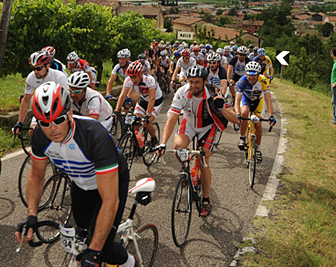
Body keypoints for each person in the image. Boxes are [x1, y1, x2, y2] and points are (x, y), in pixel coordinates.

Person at [16, 82, 137, 267]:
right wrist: (31, 214)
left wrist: (95, 250)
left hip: (111, 183)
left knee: (102, 247)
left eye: (58, 119)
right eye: (44, 122)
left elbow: (110, 200)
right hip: (81, 184)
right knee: (82, 238)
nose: (52, 128)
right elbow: (36, 176)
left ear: (70, 113)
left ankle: (131, 264)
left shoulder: (93, 135)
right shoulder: (41, 137)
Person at [158, 65, 230, 218]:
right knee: (178, 147)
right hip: (189, 123)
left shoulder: (213, 92)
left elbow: (234, 118)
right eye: (191, 82)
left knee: (203, 158)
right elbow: (172, 119)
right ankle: (186, 169)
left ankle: (205, 199)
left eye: (197, 82)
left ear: (205, 82)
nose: (193, 86)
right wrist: (163, 142)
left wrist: (222, 106)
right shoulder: (182, 92)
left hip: (207, 127)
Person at [12, 50, 68, 137]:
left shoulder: (59, 76)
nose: (36, 71)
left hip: (58, 108)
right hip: (41, 109)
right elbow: (26, 100)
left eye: (39, 68)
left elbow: (66, 99)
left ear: (48, 66)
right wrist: (20, 122)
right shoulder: (31, 78)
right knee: (32, 132)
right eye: (34, 68)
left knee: (58, 132)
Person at [235, 61, 275, 163]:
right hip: (246, 99)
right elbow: (237, 100)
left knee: (258, 124)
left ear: (258, 74)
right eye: (249, 75)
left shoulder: (263, 80)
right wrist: (237, 114)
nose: (251, 78)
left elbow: (268, 100)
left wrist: (271, 115)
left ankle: (258, 148)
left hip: (258, 101)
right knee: (244, 113)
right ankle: (242, 137)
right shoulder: (242, 81)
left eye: (254, 75)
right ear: (246, 74)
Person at [114, 60, 163, 144]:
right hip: (143, 100)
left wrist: (147, 114)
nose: (133, 80)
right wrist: (116, 111)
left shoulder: (149, 80)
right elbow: (122, 96)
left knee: (146, 123)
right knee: (135, 122)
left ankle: (154, 139)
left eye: (135, 77)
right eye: (131, 77)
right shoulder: (128, 81)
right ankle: (137, 143)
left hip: (155, 102)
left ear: (140, 75)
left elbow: (152, 99)